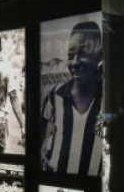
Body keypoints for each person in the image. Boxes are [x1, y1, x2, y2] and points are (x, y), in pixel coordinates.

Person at [41, 21, 103, 175]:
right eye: (70, 55)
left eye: (83, 54)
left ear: (99, 56)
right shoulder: (54, 96)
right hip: (56, 184)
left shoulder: (109, 99)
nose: (74, 62)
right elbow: (42, 136)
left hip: (92, 190)